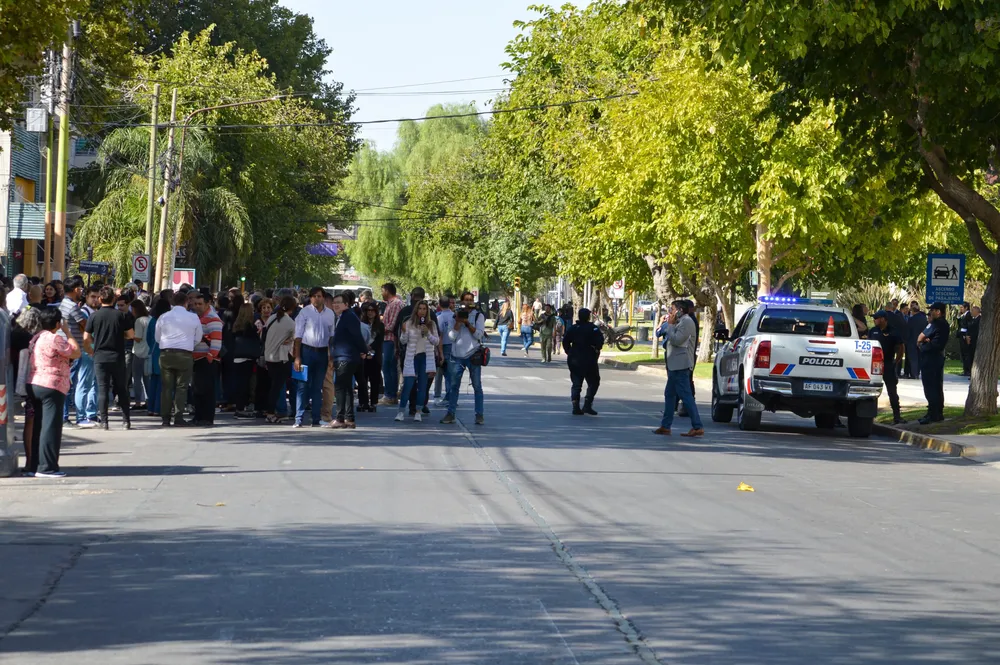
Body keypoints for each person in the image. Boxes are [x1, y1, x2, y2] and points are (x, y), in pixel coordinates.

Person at [26, 307, 81, 477]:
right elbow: (76, 352)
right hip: (52, 384)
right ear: (57, 323)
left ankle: (34, 465)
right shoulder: (55, 338)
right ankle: (47, 467)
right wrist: (69, 333)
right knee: (51, 427)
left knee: (39, 426)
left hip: (35, 382)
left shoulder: (36, 337)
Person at [84, 286, 134, 430]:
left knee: (102, 389)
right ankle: (126, 421)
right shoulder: (121, 315)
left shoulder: (94, 316)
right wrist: (120, 336)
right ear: (114, 299)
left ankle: (104, 422)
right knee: (122, 388)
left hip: (100, 356)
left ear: (100, 299)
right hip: (117, 356)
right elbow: (131, 335)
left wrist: (90, 350)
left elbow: (86, 338)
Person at [652, 300, 704, 436]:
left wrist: (669, 326)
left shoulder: (687, 322)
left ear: (680, 310)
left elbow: (676, 340)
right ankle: (666, 425)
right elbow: (661, 333)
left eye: (673, 309)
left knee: (686, 395)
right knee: (669, 394)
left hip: (681, 364)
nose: (670, 311)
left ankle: (697, 426)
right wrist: (669, 323)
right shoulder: (679, 321)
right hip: (674, 364)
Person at [155, 291, 202, 427]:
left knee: (167, 387)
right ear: (186, 302)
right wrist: (187, 345)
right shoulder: (193, 318)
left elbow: (157, 338)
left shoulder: (163, 317)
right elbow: (198, 337)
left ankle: (165, 418)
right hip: (185, 355)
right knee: (182, 387)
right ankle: (178, 416)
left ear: (172, 302)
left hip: (166, 354)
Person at [292, 286, 335, 428]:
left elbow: (331, 337)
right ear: (310, 298)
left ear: (324, 297)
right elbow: (297, 337)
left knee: (317, 387)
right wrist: (297, 357)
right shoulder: (304, 313)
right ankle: (298, 418)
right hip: (307, 351)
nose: (317, 298)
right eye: (315, 296)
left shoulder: (330, 314)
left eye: (320, 296)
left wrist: (331, 356)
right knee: (303, 386)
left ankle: (315, 419)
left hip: (322, 352)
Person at [442, 291, 486, 425]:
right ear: (461, 302)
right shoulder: (454, 316)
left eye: (470, 300)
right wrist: (457, 323)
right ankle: (451, 413)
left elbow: (479, 335)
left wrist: (467, 323)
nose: (467, 302)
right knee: (454, 386)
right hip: (457, 356)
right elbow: (451, 337)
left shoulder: (478, 316)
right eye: (465, 300)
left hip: (473, 354)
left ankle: (479, 414)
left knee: (477, 386)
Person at [59, 277, 97, 428]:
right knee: (69, 383)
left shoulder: (63, 304)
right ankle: (65, 417)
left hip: (67, 347)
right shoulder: (72, 306)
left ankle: (65, 416)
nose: (81, 291)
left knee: (68, 382)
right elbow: (84, 325)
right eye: (80, 289)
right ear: (75, 289)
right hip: (73, 349)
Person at [395, 300, 440, 423]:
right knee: (408, 385)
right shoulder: (409, 323)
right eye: (420, 309)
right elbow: (403, 341)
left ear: (427, 311)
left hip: (426, 358)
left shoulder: (431, 324)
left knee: (422, 386)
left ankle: (418, 411)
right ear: (416, 310)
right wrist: (404, 331)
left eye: (424, 309)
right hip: (412, 357)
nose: (422, 311)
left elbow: (436, 341)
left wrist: (428, 334)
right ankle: (401, 411)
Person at [328, 293, 368, 428]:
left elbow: (357, 336)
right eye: (334, 303)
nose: (335, 305)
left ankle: (340, 418)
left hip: (346, 356)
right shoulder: (343, 317)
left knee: (340, 387)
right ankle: (349, 418)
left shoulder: (348, 317)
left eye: (339, 302)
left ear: (346, 304)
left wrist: (364, 350)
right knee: (346, 388)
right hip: (345, 356)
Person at [562, 308, 604, 416]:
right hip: (589, 358)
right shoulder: (593, 328)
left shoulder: (573, 328)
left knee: (576, 383)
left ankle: (575, 406)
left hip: (574, 358)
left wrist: (569, 351)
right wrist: (596, 348)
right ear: (588, 317)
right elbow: (600, 341)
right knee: (594, 381)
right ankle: (587, 404)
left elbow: (565, 340)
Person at [263, 295, 297, 423]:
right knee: (277, 387)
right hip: (281, 358)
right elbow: (298, 338)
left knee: (274, 386)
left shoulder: (272, 318)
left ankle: (271, 411)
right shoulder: (290, 323)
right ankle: (271, 413)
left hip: (269, 356)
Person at [191, 291, 223, 426]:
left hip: (206, 359)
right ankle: (198, 416)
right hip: (198, 359)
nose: (197, 306)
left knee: (207, 390)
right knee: (198, 390)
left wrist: (210, 356)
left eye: (200, 304)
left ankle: (207, 417)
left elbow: (216, 340)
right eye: (195, 304)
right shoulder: (197, 318)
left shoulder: (213, 318)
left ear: (207, 304)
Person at [870, 310, 906, 424]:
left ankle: (897, 416)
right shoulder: (873, 331)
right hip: (874, 365)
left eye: (876, 318)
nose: (874, 320)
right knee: (871, 389)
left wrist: (897, 361)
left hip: (887, 363)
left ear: (883, 319)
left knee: (892, 390)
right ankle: (869, 415)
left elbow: (901, 347)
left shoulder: (893, 331)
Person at [917, 302, 950, 425]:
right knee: (937, 386)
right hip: (938, 357)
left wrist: (923, 342)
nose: (930, 312)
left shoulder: (935, 324)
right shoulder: (945, 324)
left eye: (932, 310)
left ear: (939, 312)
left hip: (930, 357)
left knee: (930, 387)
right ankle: (938, 413)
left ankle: (932, 414)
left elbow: (919, 338)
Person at [229, 303, 260, 419]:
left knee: (239, 383)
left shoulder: (236, 326)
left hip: (236, 357)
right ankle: (241, 408)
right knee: (245, 384)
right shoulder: (250, 327)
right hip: (247, 357)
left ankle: (239, 406)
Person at [145, 296, 172, 416]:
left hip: (154, 352)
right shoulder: (166, 320)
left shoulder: (152, 320)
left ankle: (151, 408)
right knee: (163, 383)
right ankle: (158, 408)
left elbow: (148, 338)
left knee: (154, 382)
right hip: (164, 352)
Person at [379, 283, 404, 405]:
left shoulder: (395, 304)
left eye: (382, 291)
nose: (381, 293)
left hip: (390, 340)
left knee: (388, 367)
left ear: (387, 291)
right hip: (387, 339)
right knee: (390, 368)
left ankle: (390, 395)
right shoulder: (390, 304)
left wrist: (379, 330)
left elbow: (392, 325)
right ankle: (391, 394)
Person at [359, 302, 384, 412]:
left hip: (375, 355)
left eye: (372, 310)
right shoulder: (361, 324)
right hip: (363, 354)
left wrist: (371, 348)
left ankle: (373, 402)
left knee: (374, 380)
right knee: (362, 380)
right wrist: (364, 349)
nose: (370, 313)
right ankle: (362, 402)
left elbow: (380, 340)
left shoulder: (380, 325)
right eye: (368, 310)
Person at [434, 295, 455, 406]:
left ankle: (441, 396)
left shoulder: (440, 318)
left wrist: (440, 352)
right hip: (454, 346)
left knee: (442, 373)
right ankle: (450, 396)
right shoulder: (454, 316)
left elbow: (440, 336)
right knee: (450, 374)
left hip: (444, 346)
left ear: (439, 305)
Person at [130, 299, 150, 411]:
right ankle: (148, 400)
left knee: (136, 378)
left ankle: (138, 402)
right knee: (147, 379)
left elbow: (138, 337)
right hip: (148, 352)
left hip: (138, 352)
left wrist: (128, 335)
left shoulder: (139, 321)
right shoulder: (150, 319)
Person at [905, 301, 927, 379]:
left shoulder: (911, 319)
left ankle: (914, 374)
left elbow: (908, 330)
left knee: (913, 358)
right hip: (921, 341)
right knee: (919, 358)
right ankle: (917, 372)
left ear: (913, 311)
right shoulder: (924, 318)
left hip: (912, 341)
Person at [956, 301, 973, 376]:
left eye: (962, 307)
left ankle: (968, 370)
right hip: (961, 335)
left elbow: (968, 326)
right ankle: (965, 369)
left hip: (965, 336)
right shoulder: (963, 315)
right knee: (963, 353)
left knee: (966, 353)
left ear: (966, 308)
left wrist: (966, 335)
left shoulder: (968, 315)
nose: (961, 309)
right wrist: (959, 317)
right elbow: (960, 324)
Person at [968, 305, 981, 373]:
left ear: (977, 311)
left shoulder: (980, 319)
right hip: (971, 341)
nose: (971, 312)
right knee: (971, 357)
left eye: (972, 310)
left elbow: (977, 331)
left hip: (975, 341)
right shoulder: (973, 319)